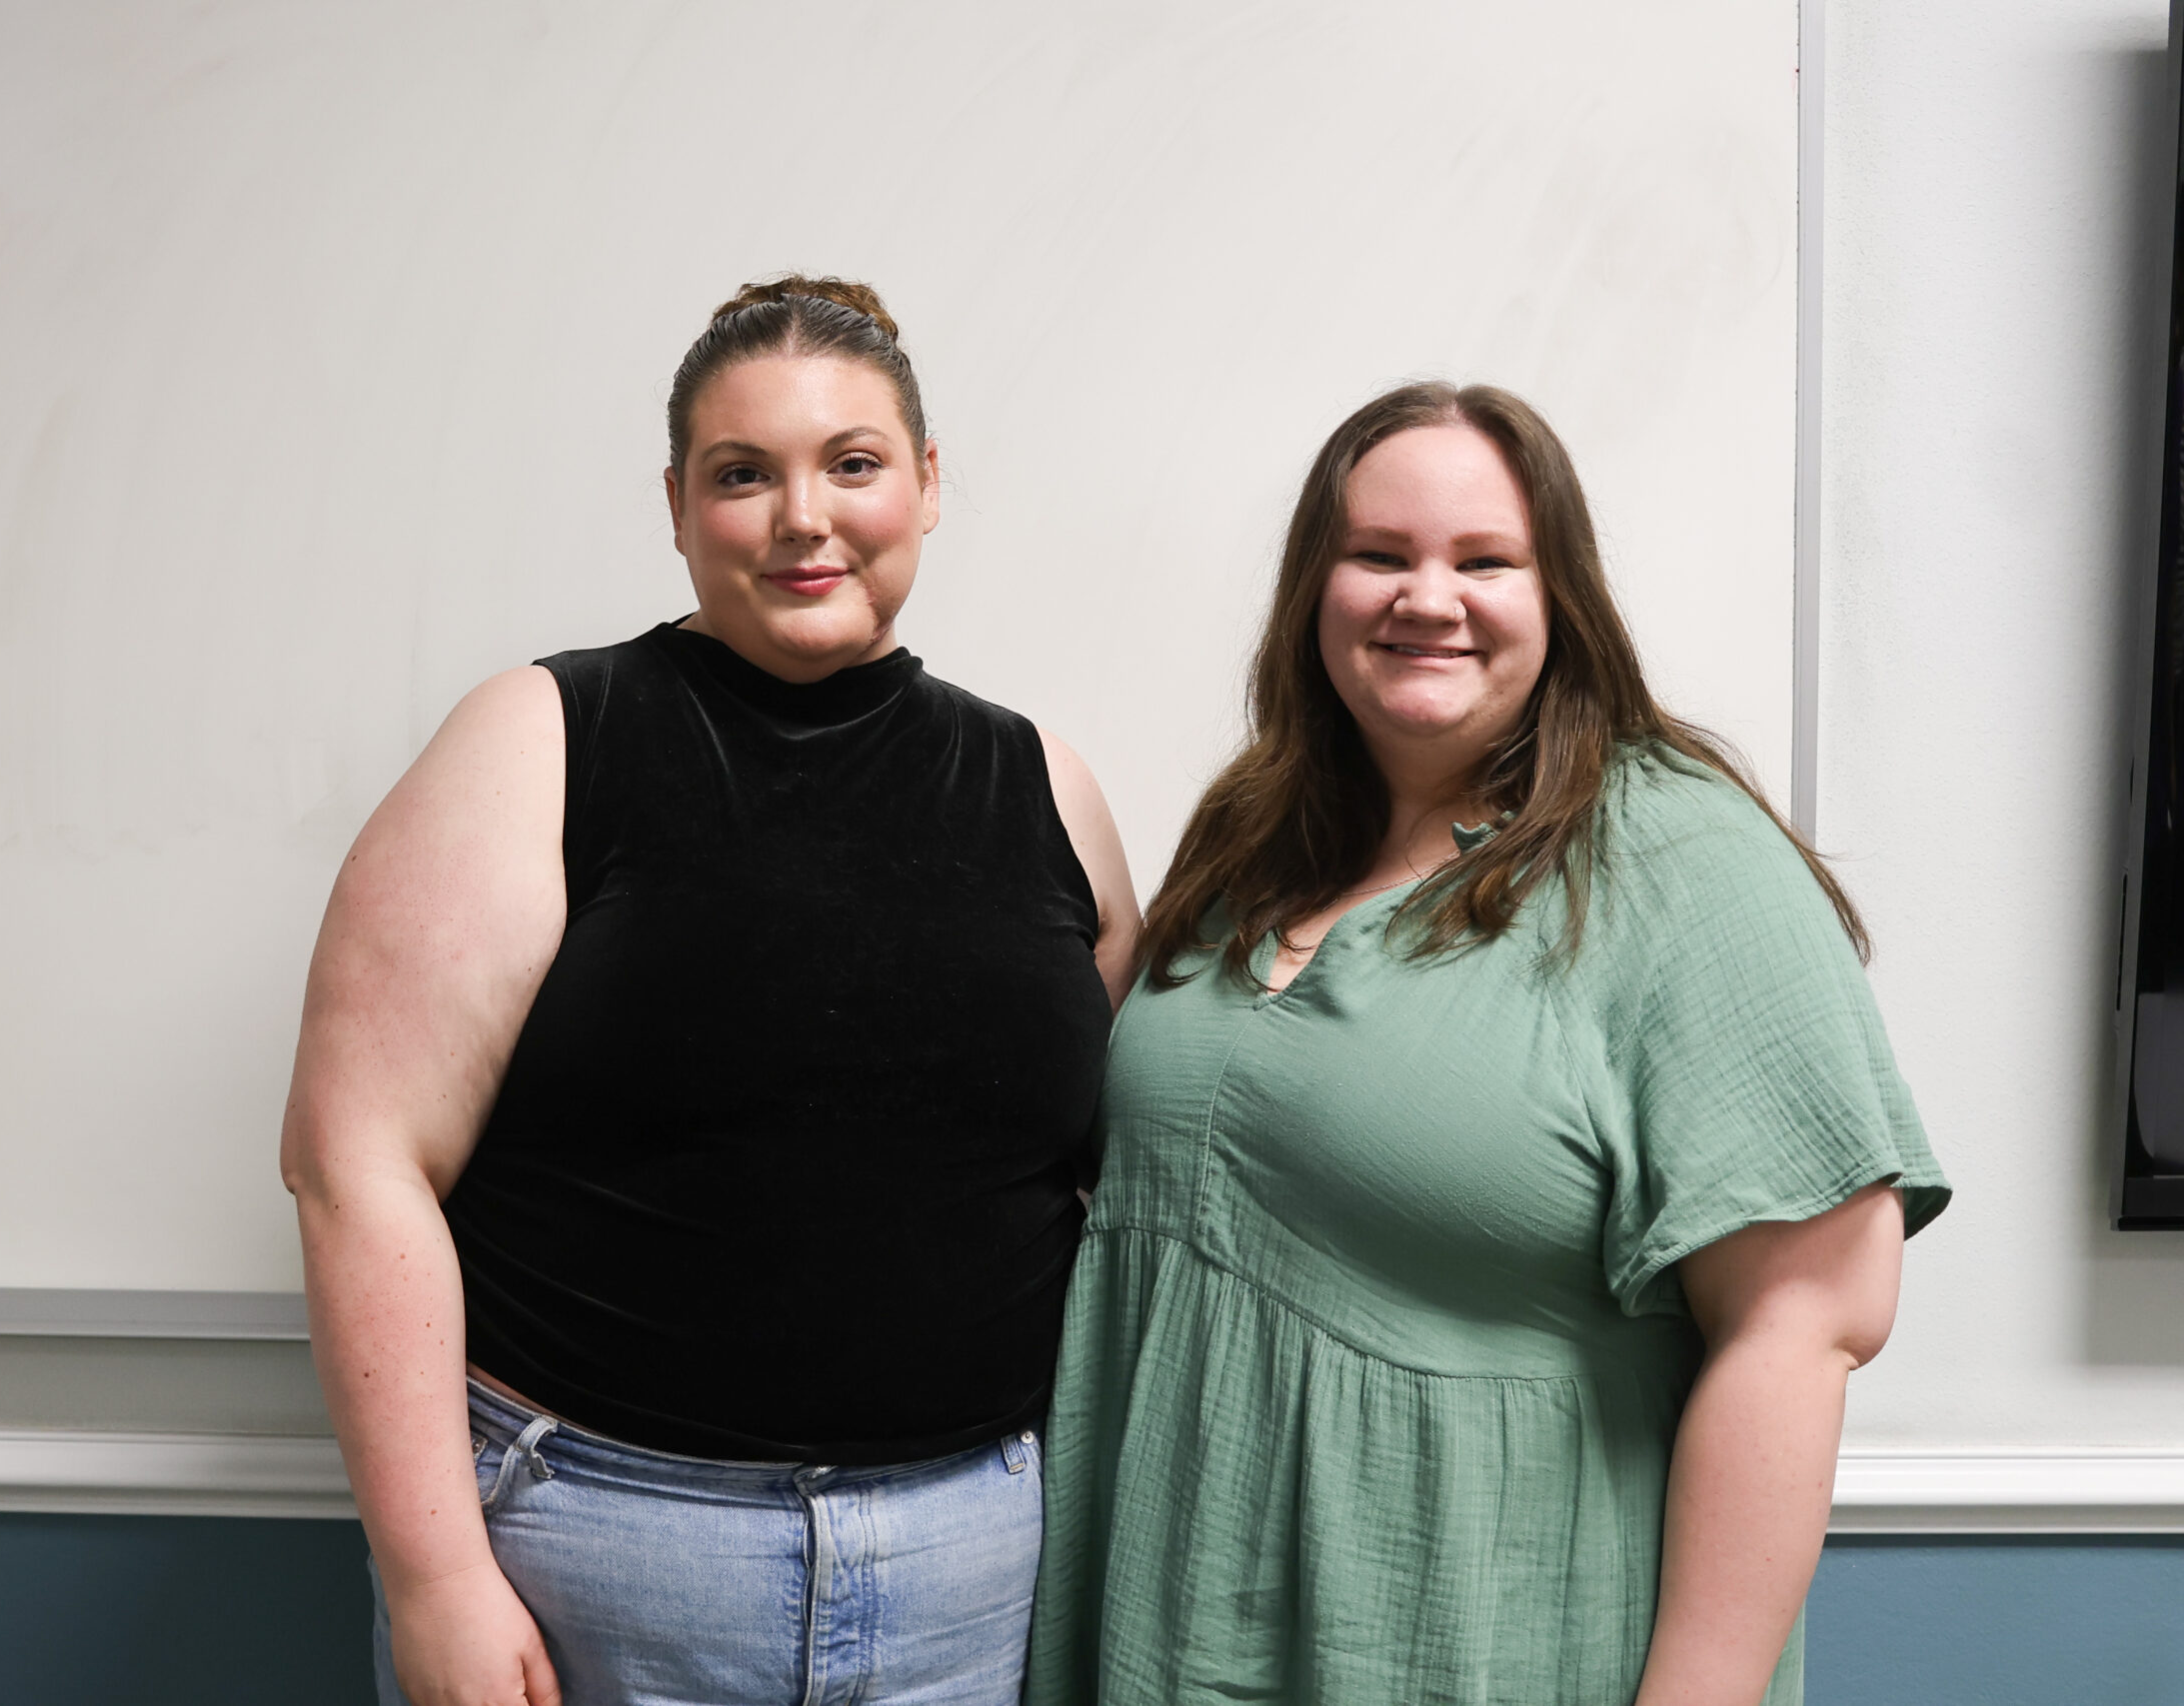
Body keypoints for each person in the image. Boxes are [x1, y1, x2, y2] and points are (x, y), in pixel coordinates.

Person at [279, 275, 1138, 1706]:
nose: (804, 517)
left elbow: (1103, 1163)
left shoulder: (1043, 782)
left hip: (974, 1569)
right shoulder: (545, 739)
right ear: (678, 506)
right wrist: (434, 1579)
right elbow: (353, 1162)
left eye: (852, 464)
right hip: (597, 1557)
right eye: (744, 475)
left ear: (927, 486)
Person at [1022, 381, 1949, 1706]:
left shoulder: (1681, 860)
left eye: (1485, 561)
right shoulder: (1255, 833)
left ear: (1560, 594)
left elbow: (1804, 1323)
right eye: (1379, 554)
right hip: (1166, 1620)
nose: (1428, 597)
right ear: (1314, 588)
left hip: (1484, 1632)